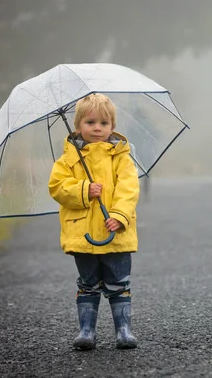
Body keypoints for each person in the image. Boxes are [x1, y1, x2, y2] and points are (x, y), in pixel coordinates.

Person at [48, 93, 140, 350]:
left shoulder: (120, 156)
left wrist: (120, 216)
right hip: (83, 233)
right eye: (90, 122)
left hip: (116, 234)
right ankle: (86, 330)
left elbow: (128, 189)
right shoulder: (67, 159)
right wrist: (83, 189)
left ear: (112, 126)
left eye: (103, 123)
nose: (97, 128)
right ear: (78, 126)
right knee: (88, 283)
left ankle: (123, 330)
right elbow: (57, 187)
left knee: (118, 283)